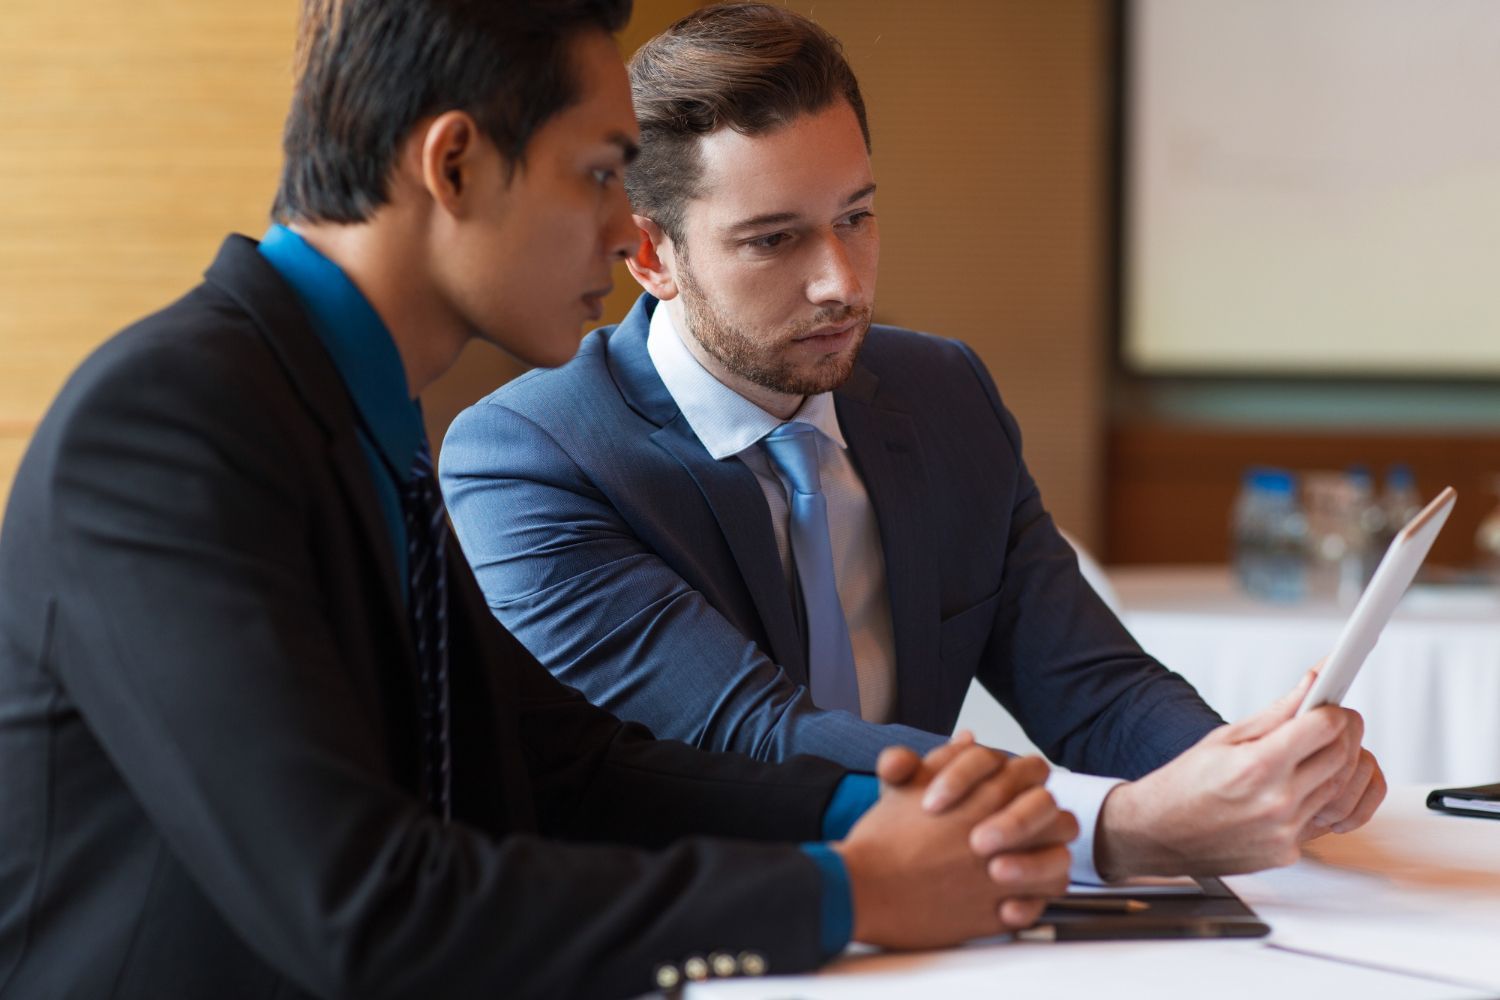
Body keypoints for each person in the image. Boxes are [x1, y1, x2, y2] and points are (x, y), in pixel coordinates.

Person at [0, 3, 1081, 998]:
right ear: (457, 163)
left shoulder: (352, 405)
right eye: (603, 173)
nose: (628, 236)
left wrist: (865, 812)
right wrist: (849, 892)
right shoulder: (170, 422)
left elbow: (564, 764)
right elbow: (367, 905)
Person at [439, 1, 1386, 885]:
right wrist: (1120, 826)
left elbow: (1093, 688)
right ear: (651, 256)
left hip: (941, 916)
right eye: (774, 241)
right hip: (711, 933)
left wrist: (1248, 775)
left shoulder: (943, 394)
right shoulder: (532, 459)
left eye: (856, 216)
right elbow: (761, 737)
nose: (840, 284)